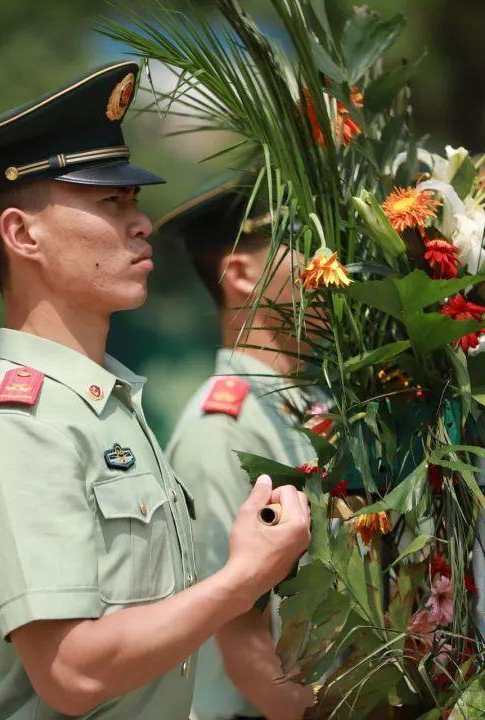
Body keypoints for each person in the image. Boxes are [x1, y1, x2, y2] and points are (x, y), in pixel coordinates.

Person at [0, 63, 311, 720]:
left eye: (133, 200)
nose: (142, 223)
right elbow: (72, 671)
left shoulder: (103, 408)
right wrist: (244, 578)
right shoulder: (19, 425)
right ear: (22, 234)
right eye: (111, 203)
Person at [159, 180, 319, 720]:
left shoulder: (299, 405)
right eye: (303, 245)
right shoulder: (224, 427)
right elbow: (241, 641)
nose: (328, 265)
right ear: (242, 275)